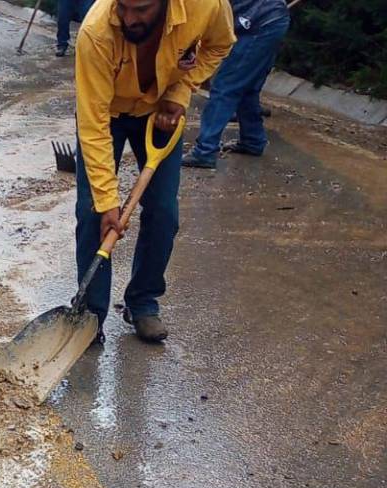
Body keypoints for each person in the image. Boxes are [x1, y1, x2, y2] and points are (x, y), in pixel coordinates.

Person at [74, 0, 234, 342]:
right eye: (124, 8)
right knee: (93, 214)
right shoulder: (96, 32)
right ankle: (89, 315)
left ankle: (143, 302)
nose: (130, 19)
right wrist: (107, 200)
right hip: (109, 116)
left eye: (142, 10)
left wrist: (180, 90)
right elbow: (93, 123)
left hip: (160, 110)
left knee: (163, 212)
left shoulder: (205, 6)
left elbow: (220, 44)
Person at [182, 0, 291, 169]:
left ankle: (204, 151)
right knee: (247, 87)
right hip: (270, 18)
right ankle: (253, 140)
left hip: (258, 22)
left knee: (225, 88)